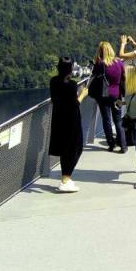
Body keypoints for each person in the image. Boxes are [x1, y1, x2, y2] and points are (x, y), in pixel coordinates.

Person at [48, 57, 86, 193]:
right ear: (70, 69)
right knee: (76, 148)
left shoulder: (53, 82)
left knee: (65, 149)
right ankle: (65, 178)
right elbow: (75, 104)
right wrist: (83, 94)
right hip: (72, 120)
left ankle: (66, 178)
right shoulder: (72, 85)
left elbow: (54, 99)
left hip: (58, 119)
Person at [89, 41, 126, 153]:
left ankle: (111, 144)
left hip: (103, 95)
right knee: (118, 120)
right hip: (117, 95)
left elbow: (94, 75)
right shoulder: (119, 63)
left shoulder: (100, 64)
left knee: (106, 119)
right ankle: (123, 145)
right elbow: (124, 77)